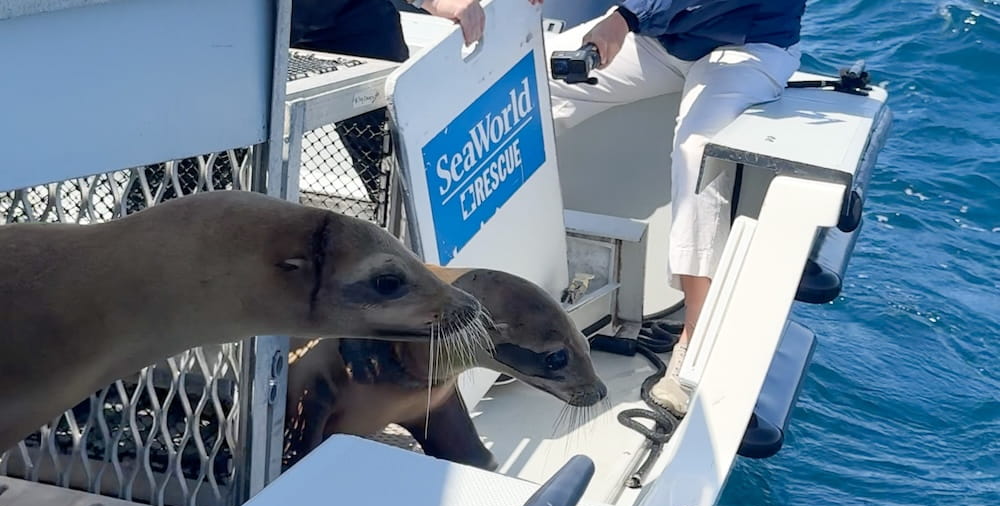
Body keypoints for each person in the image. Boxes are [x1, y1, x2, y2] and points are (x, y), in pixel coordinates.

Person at [545, 1, 806, 416]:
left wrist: (626, 17)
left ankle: (694, 341)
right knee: (526, 76)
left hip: (749, 45)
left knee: (696, 150)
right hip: (661, 40)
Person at [289, 0, 487, 210]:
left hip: (353, 15)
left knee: (397, 158)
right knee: (250, 132)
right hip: (258, 17)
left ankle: (407, 231)